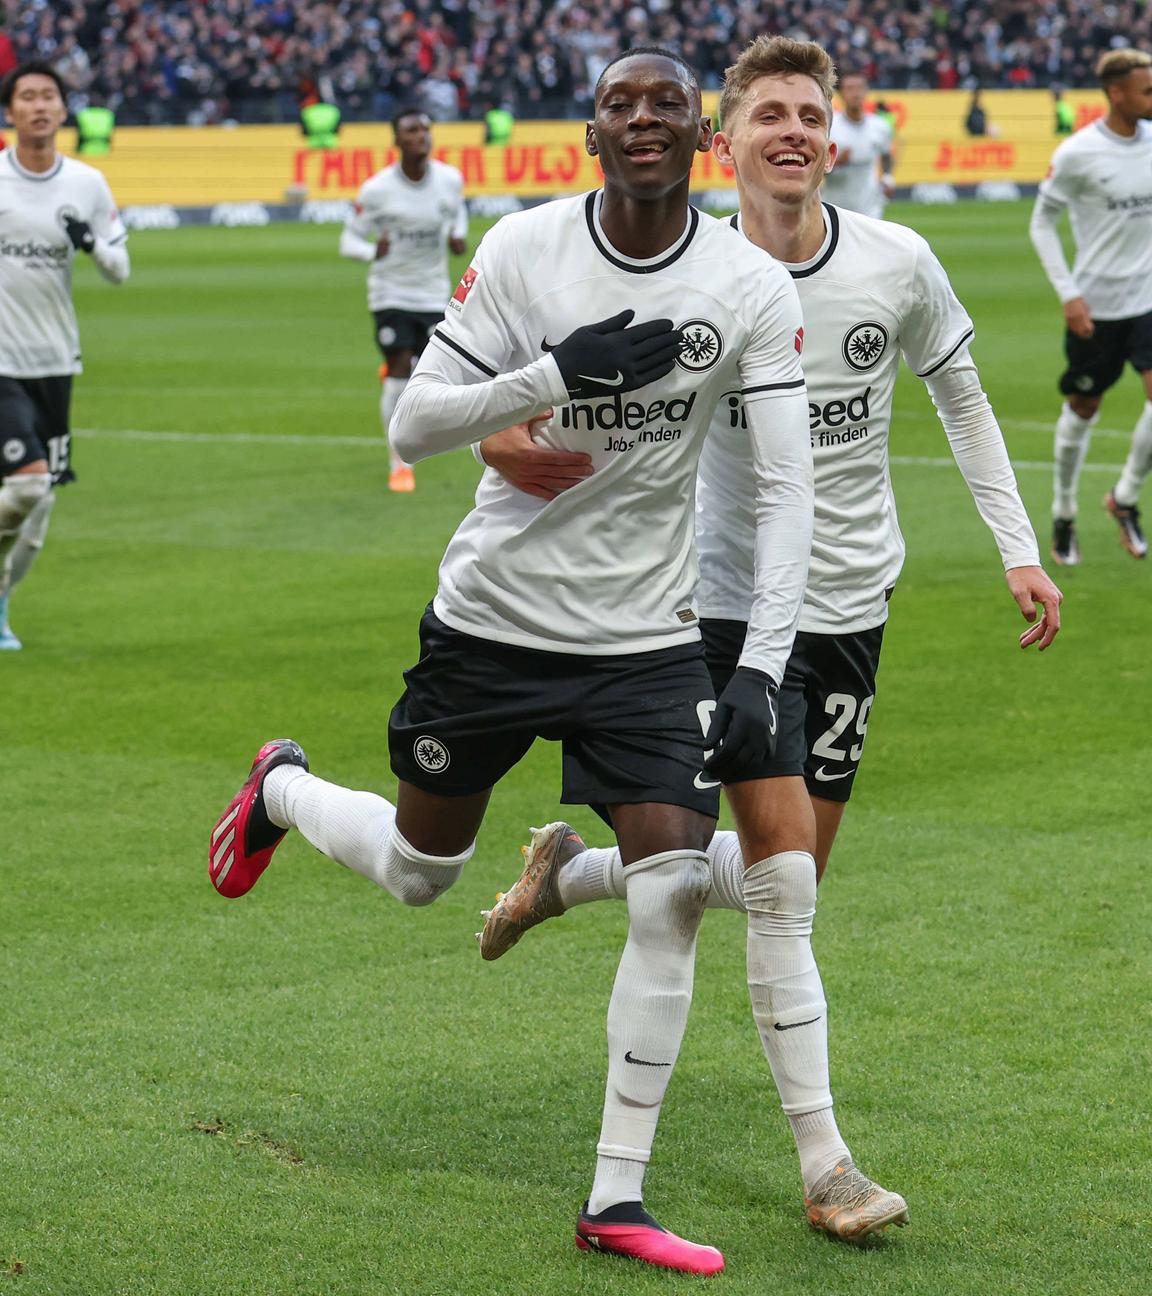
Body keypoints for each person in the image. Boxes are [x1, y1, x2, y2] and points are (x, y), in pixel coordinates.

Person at [210, 46, 814, 1276]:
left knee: (670, 893)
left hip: (646, 643)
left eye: (666, 104)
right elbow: (413, 421)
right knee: (424, 870)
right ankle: (280, 786)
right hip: (491, 623)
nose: (642, 118)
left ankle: (616, 1198)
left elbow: (789, 485)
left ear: (702, 138)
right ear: (590, 133)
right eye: (618, 103)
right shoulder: (528, 248)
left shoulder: (748, 282)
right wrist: (554, 375)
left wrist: (758, 665)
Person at [477, 34, 1063, 1244]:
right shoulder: (688, 273)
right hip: (706, 610)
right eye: (767, 116)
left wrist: (1016, 545)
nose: (791, 132)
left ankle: (564, 874)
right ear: (722, 142)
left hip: (848, 611)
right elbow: (549, 390)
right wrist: (501, 446)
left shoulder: (896, 263)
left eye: (809, 114)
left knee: (771, 878)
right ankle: (824, 1165)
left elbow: (962, 395)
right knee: (751, 894)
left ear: (832, 141)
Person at [0, 60, 129, 651]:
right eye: (27, 96)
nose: (39, 105)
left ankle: (2, 603)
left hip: (56, 360)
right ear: (11, 111)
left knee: (40, 508)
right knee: (26, 488)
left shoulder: (86, 183)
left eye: (48, 95)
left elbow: (119, 269)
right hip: (2, 363)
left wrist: (91, 242)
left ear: (62, 109)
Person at [1029, 48, 1152, 565]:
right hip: (1095, 307)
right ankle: (1063, 511)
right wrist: (1069, 294)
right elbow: (1041, 224)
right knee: (1085, 407)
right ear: (1116, 93)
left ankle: (1123, 498)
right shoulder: (1079, 153)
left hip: (1147, 299)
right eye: (1147, 89)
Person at [339, 108, 467, 492]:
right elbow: (348, 241)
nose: (421, 136)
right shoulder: (377, 190)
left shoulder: (449, 179)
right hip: (390, 293)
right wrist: (371, 252)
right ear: (396, 140)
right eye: (412, 130)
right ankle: (399, 463)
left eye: (425, 129)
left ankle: (399, 369)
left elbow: (457, 211)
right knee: (399, 374)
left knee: (431, 375)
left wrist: (457, 234)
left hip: (432, 292)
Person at [822, 68, 893, 219]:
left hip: (870, 208)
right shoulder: (829, 126)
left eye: (860, 88)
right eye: (850, 88)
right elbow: (815, 168)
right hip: (836, 208)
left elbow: (886, 154)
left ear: (866, 91)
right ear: (841, 94)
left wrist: (887, 178)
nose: (856, 93)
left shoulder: (879, 126)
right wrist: (836, 162)